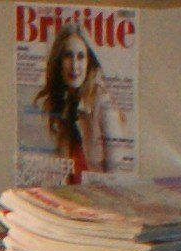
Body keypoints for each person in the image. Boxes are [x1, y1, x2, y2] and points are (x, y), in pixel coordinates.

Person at [37, 14, 126, 179]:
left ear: (88, 62)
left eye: (80, 56)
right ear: (59, 61)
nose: (74, 65)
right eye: (67, 56)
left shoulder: (103, 104)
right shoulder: (61, 104)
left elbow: (116, 174)